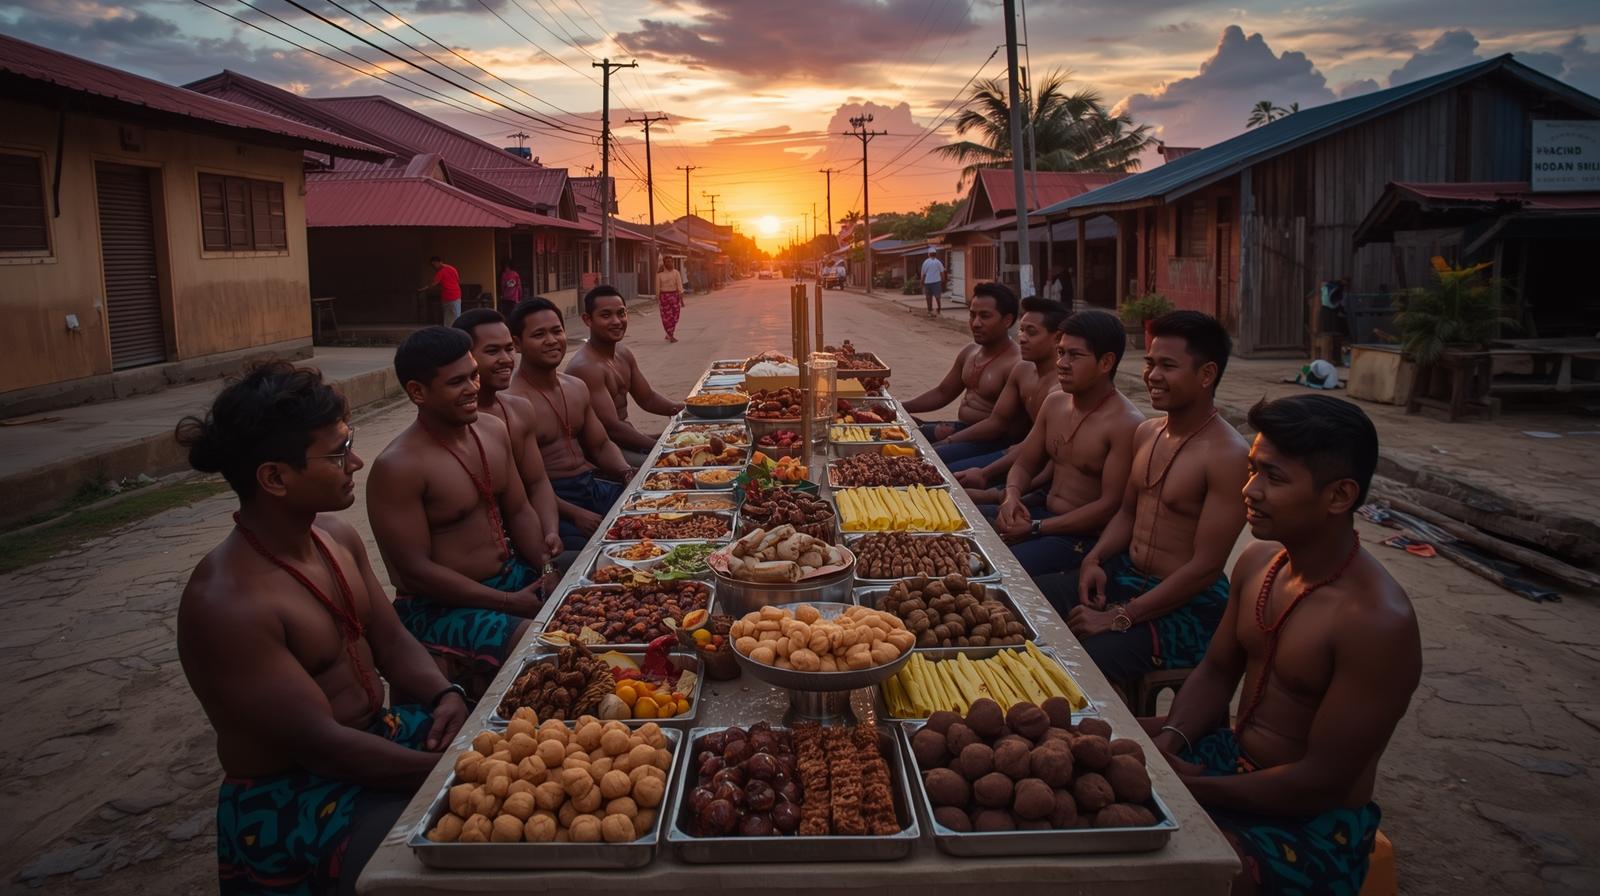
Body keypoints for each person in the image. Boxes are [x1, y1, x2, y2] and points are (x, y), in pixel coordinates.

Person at [175, 362, 468, 895]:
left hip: (380, 735)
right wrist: (451, 767)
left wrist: (444, 693)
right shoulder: (228, 602)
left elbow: (393, 641)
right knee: (454, 860)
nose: (355, 461)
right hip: (294, 792)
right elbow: (320, 745)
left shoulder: (333, 535)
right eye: (337, 454)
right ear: (274, 478)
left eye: (349, 442)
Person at [1147, 394, 1419, 896]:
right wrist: (1172, 740)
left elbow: (1323, 782)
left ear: (1339, 496)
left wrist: (1188, 788)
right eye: (1252, 470)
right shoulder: (1259, 562)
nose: (1249, 489)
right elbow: (1215, 671)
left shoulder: (1376, 622)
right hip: (1228, 758)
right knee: (1081, 737)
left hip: (1311, 822)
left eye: (1273, 477)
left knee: (1165, 875)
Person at [366, 326, 554, 696]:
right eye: (456, 382)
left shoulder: (493, 429)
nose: (471, 388)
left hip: (513, 578)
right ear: (417, 392)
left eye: (472, 375)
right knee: (548, 650)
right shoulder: (398, 467)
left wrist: (547, 569)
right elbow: (415, 573)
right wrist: (507, 603)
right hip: (442, 607)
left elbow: (518, 510)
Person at [1072, 310, 1250, 692]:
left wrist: (1120, 617)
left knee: (1076, 666)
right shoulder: (1148, 432)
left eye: (1168, 366)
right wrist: (1094, 558)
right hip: (1126, 576)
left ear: (1207, 375)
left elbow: (1204, 567)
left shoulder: (1228, 455)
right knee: (1030, 608)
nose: (1152, 375)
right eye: (1150, 363)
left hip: (1188, 605)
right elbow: (1126, 513)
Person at [979, 310, 1144, 584]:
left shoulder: (1125, 424)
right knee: (961, 527)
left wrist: (1036, 528)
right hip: (1038, 515)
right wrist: (1011, 497)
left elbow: (1110, 506)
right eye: (1060, 352)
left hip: (1079, 537)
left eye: (1075, 356)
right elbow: (1024, 463)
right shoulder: (1055, 403)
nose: (1062, 364)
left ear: (1106, 362)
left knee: (994, 571)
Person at [506, 297, 634, 550]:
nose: (552, 340)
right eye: (539, 334)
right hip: (555, 500)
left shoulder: (575, 387)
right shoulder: (513, 403)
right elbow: (528, 485)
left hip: (593, 485)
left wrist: (626, 472)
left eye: (557, 331)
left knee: (653, 520)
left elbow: (600, 445)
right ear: (517, 343)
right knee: (600, 551)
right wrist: (575, 513)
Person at [451, 308, 564, 567]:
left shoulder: (518, 409)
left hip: (532, 533)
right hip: (490, 558)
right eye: (492, 351)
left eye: (508, 349)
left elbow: (536, 483)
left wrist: (550, 530)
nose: (505, 359)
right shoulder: (459, 424)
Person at [939, 295, 1066, 472]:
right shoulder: (1023, 370)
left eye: (1031, 332)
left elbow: (1041, 448)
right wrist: (949, 440)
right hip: (1016, 451)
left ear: (1057, 338)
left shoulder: (1062, 387)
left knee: (946, 471)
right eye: (1021, 330)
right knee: (934, 456)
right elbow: (997, 420)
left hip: (1036, 463)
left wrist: (985, 475)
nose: (1022, 338)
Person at [568, 284, 685, 467]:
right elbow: (612, 428)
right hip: (606, 451)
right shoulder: (586, 367)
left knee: (695, 443)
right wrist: (661, 446)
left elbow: (648, 399)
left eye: (621, 313)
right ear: (588, 320)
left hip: (628, 439)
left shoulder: (623, 353)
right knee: (679, 463)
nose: (616, 321)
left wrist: (685, 410)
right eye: (606, 315)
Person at [903, 281, 1022, 458]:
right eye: (972, 315)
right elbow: (943, 393)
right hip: (961, 428)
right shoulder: (970, 351)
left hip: (991, 441)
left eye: (985, 316)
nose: (976, 323)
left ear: (1007, 320)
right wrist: (898, 408)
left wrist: (950, 440)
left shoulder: (1016, 364)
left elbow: (997, 425)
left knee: (922, 458)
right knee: (900, 431)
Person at [420, 256, 462, 324]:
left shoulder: (441, 272)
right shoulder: (452, 269)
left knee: (449, 317)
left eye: (434, 265)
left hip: (450, 296)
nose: (434, 267)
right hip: (455, 296)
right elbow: (458, 280)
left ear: (438, 262)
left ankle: (451, 331)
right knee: (455, 316)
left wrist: (422, 289)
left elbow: (433, 284)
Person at [656, 258, 684, 342]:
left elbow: (679, 286)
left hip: (674, 296)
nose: (670, 263)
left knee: (675, 316)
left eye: (671, 261)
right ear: (664, 263)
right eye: (668, 262)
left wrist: (681, 299)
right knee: (666, 317)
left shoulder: (676, 273)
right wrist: (658, 299)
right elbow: (657, 288)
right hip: (664, 297)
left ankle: (669, 333)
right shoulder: (659, 275)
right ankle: (670, 335)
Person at [920, 248, 946, 317]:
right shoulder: (938, 262)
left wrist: (921, 282)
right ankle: (939, 309)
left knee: (928, 297)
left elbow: (924, 274)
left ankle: (929, 310)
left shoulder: (925, 262)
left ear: (928, 254)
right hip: (937, 282)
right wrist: (943, 281)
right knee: (937, 296)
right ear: (935, 254)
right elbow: (942, 272)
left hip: (928, 282)